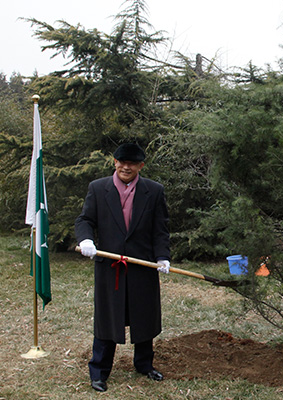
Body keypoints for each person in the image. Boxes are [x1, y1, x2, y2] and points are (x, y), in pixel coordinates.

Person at [75, 143, 171, 392]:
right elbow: (85, 219)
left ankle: (144, 364)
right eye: (122, 162)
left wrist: (162, 257)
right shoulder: (98, 188)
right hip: (110, 266)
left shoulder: (154, 190)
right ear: (114, 162)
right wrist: (86, 239)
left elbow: (160, 229)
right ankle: (99, 370)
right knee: (108, 317)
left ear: (141, 166)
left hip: (142, 264)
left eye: (132, 163)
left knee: (144, 315)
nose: (126, 167)